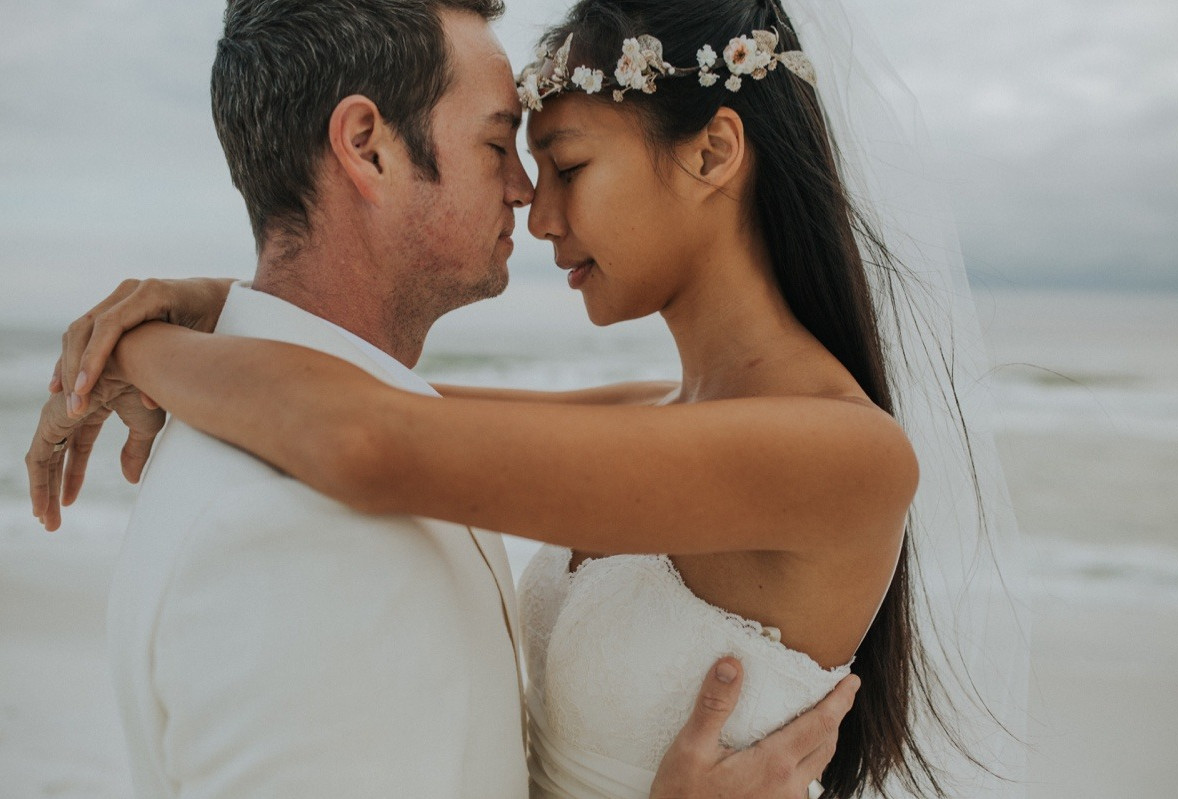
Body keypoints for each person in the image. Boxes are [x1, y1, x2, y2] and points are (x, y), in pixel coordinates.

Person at [29, 0, 1029, 797]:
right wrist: (209, 306)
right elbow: (389, 400)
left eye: (569, 166)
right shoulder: (664, 415)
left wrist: (145, 348)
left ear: (713, 154)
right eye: (517, 156)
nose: (536, 210)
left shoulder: (843, 455)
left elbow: (372, 437)